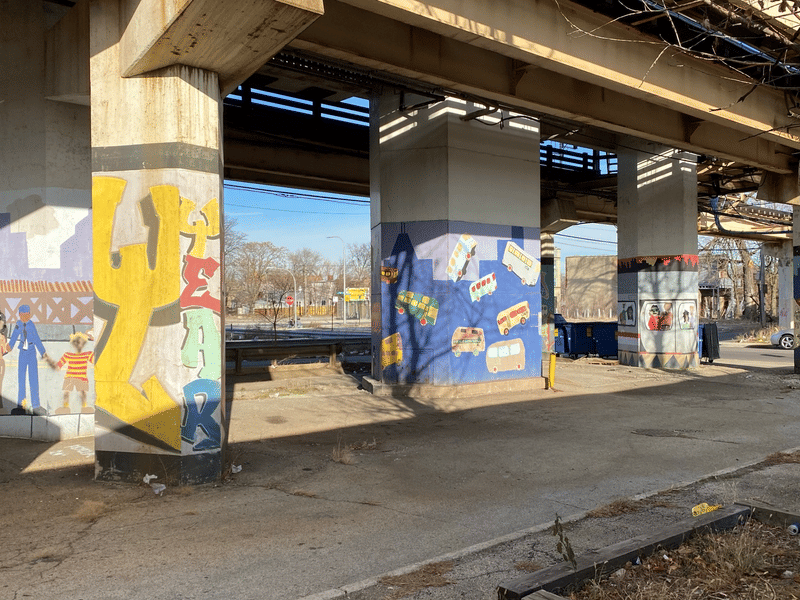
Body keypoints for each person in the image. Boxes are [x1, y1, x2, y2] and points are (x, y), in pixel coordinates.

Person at [8, 305, 53, 414]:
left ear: (29, 315)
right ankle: (21, 406)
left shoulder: (31, 325)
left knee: (33, 379)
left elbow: (36, 338)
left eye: (27, 314)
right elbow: (14, 335)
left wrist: (42, 351)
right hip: (22, 353)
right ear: (19, 315)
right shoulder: (18, 325)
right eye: (23, 315)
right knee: (21, 380)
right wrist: (10, 345)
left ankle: (36, 406)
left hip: (32, 353)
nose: (25, 316)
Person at [53, 331, 94, 414]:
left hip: (80, 377)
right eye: (77, 343)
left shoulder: (87, 354)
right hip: (70, 377)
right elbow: (59, 365)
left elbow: (96, 361)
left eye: (81, 343)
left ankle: (84, 407)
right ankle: (65, 407)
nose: (79, 345)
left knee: (82, 393)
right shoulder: (68, 355)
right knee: (67, 392)